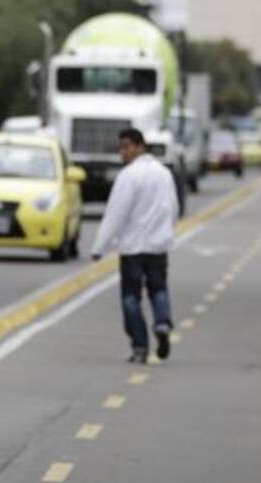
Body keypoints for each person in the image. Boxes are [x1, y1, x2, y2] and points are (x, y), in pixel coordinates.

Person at [90, 128, 179, 365]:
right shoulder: (163, 174)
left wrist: (100, 247)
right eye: (121, 148)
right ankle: (162, 323)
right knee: (158, 289)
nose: (122, 153)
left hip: (133, 249)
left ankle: (140, 347)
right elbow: (173, 206)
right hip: (158, 246)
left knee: (131, 299)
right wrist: (167, 232)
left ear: (140, 147)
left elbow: (116, 214)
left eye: (127, 147)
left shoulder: (128, 176)